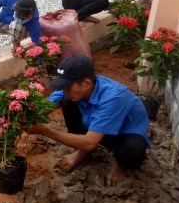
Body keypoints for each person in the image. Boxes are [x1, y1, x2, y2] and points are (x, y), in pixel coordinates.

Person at [28, 55, 150, 185]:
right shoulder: (69, 91)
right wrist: (22, 114)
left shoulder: (113, 97)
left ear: (86, 84)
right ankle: (82, 152)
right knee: (66, 101)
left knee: (132, 151)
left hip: (123, 134)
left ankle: (120, 165)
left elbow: (90, 143)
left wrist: (45, 131)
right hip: (96, 129)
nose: (64, 90)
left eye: (67, 87)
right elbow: (43, 108)